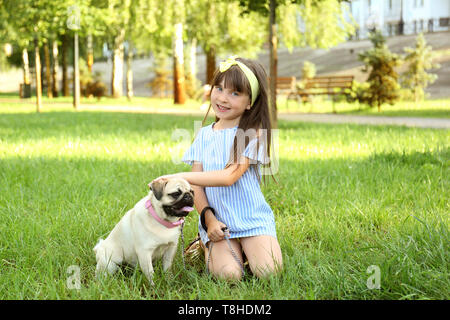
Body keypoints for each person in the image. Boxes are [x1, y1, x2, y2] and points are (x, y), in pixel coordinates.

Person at [152, 56, 282, 280]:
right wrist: (208, 219)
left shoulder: (252, 132)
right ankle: (204, 244)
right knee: (228, 275)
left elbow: (229, 176)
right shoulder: (204, 135)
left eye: (235, 93)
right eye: (219, 88)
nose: (222, 98)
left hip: (251, 219)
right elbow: (196, 186)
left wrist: (178, 175)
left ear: (250, 102)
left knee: (269, 273)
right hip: (218, 222)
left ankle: (248, 247)